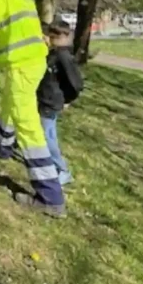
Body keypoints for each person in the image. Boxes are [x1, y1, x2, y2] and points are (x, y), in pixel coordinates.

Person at [0, 0, 66, 217]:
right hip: (36, 59)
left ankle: (50, 195)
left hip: (20, 63)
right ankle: (1, 147)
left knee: (27, 123)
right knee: (9, 102)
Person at [38, 21, 83, 186]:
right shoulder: (53, 53)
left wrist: (68, 100)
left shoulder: (64, 57)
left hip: (51, 102)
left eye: (53, 37)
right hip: (44, 99)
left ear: (63, 37)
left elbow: (77, 84)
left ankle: (63, 170)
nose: (50, 39)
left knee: (48, 138)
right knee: (48, 135)